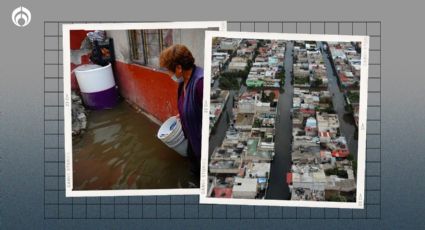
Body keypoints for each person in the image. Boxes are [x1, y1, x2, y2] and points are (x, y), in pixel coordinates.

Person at [159, 44, 203, 184]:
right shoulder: (183, 82)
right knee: (193, 169)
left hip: (201, 142)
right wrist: (183, 115)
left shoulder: (200, 83)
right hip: (192, 139)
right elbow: (190, 106)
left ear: (178, 68)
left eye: (169, 71)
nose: (169, 74)